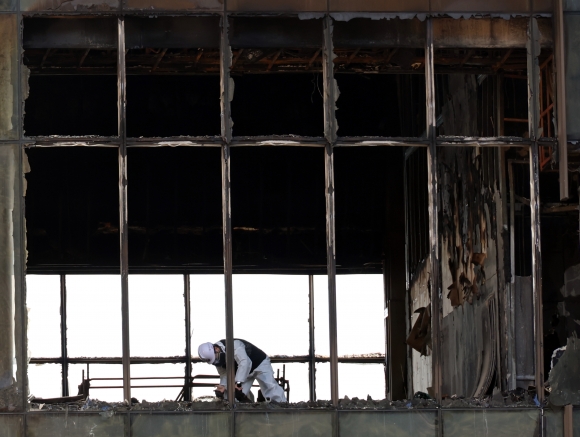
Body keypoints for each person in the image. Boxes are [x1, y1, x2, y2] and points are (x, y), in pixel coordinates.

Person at [198, 339, 287, 403]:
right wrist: (223, 386)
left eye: (216, 358)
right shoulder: (217, 361)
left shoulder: (234, 345)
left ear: (216, 349)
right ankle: (245, 420)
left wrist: (238, 383)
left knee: (269, 386)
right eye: (215, 361)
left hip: (259, 363)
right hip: (244, 373)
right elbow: (224, 373)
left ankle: (283, 409)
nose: (217, 362)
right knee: (233, 397)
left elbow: (245, 362)